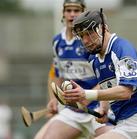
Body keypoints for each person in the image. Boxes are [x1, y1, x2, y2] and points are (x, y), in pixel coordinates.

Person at [62, 9, 137, 139]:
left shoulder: (122, 49)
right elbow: (106, 86)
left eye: (89, 33)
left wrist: (86, 94)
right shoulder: (94, 59)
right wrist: (103, 108)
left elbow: (125, 92)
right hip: (124, 124)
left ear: (103, 28)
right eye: (81, 36)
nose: (85, 40)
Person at [34, 1, 113, 139]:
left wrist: (87, 96)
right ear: (63, 13)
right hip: (73, 111)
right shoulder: (58, 41)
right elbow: (56, 73)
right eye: (68, 10)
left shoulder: (90, 40)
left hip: (98, 107)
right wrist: (54, 99)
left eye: (76, 10)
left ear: (83, 13)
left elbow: (107, 76)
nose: (72, 14)